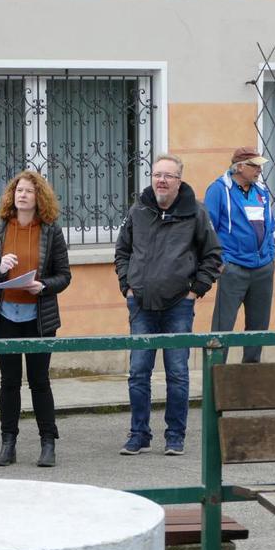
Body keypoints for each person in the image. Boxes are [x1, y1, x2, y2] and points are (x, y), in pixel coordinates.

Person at [114, 154, 221, 457]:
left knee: (177, 373)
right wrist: (127, 287)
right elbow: (122, 251)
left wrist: (195, 291)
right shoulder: (138, 210)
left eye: (168, 176)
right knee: (138, 373)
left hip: (179, 306)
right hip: (141, 305)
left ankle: (175, 436)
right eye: (157, 174)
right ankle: (139, 434)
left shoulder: (196, 212)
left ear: (178, 181)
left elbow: (213, 256)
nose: (161, 180)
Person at [0, 171, 71, 468]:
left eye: (29, 191)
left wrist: (43, 286)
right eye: (19, 191)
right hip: (5, 316)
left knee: (40, 381)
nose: (23, 195)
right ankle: (8, 444)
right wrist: (0, 269)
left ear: (39, 197)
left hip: (39, 317)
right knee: (10, 381)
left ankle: (48, 444)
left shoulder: (51, 231)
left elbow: (64, 275)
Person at [205, 147, 275, 363]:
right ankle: (215, 374)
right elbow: (208, 230)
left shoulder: (261, 191)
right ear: (240, 167)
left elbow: (270, 228)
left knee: (258, 327)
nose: (259, 170)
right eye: (255, 165)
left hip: (263, 268)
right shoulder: (218, 190)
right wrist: (222, 262)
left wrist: (270, 257)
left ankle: (250, 374)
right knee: (223, 326)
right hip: (233, 268)